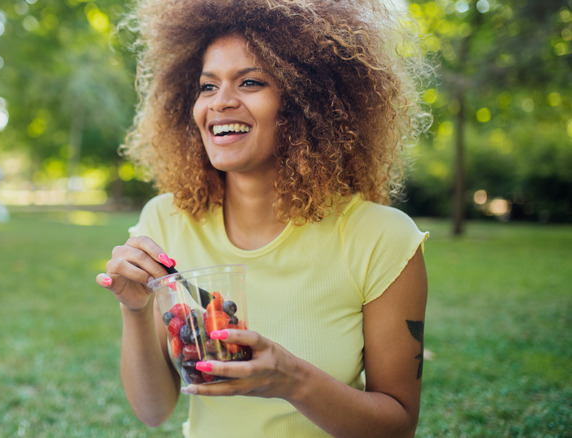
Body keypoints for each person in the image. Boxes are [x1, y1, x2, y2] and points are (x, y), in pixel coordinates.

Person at [96, 0, 431, 436]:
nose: (220, 103)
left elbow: (398, 425)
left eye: (250, 82)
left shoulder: (381, 238)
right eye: (207, 86)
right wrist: (135, 310)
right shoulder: (165, 221)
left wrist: (291, 380)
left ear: (307, 101)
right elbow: (153, 410)